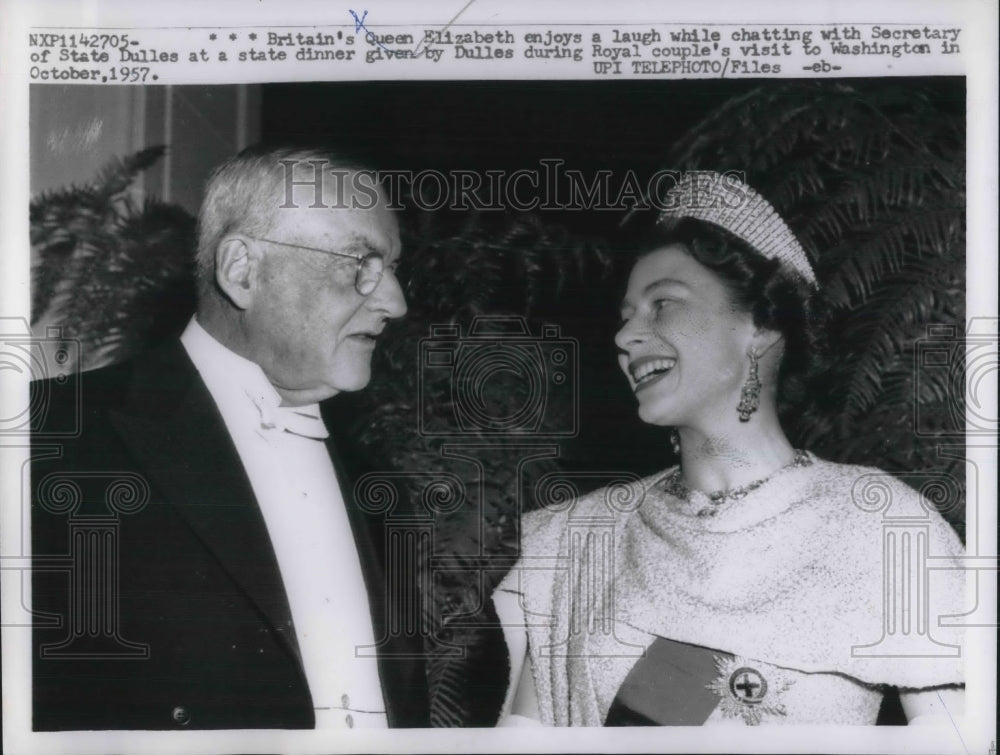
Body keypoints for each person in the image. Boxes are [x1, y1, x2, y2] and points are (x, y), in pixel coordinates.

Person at [492, 172, 966, 726]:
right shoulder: (582, 537)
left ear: (761, 328)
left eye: (662, 303)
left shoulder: (880, 523)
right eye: (626, 317)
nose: (625, 337)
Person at [30, 145, 429, 729]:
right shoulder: (49, 439)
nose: (395, 301)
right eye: (360, 263)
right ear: (243, 270)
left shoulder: (381, 487)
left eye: (392, 269)